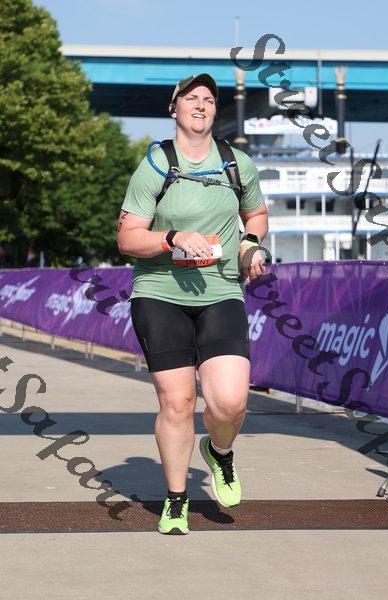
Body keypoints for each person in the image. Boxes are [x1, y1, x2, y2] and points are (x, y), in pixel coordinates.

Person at [117, 73, 268, 535]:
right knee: (178, 401)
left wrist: (250, 244)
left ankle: (219, 452)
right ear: (174, 108)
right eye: (191, 98)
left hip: (221, 290)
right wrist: (171, 238)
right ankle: (177, 499)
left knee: (230, 402)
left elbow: (256, 214)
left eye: (208, 99)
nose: (201, 104)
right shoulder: (155, 165)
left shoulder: (237, 163)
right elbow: (127, 238)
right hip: (160, 292)